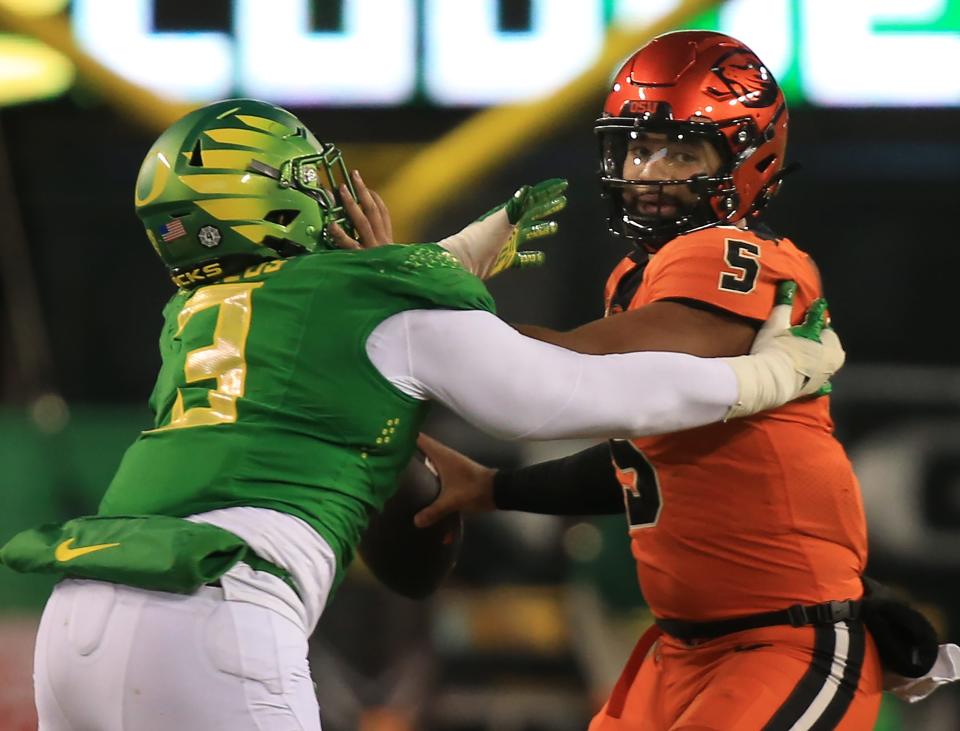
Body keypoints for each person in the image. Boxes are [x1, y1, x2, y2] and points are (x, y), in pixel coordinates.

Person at [0, 98, 840, 731]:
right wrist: (766, 378)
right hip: (215, 601)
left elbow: (347, 326)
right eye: (315, 179)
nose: (343, 193)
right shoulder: (369, 300)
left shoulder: (197, 318)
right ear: (282, 198)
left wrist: (443, 259)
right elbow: (561, 397)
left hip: (79, 610)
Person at [414, 31, 885, 731]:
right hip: (682, 650)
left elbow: (573, 369)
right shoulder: (635, 279)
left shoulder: (733, 252)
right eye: (638, 148)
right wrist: (495, 488)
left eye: (681, 150)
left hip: (782, 644)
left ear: (750, 159)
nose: (650, 170)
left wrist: (414, 301)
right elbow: (647, 464)